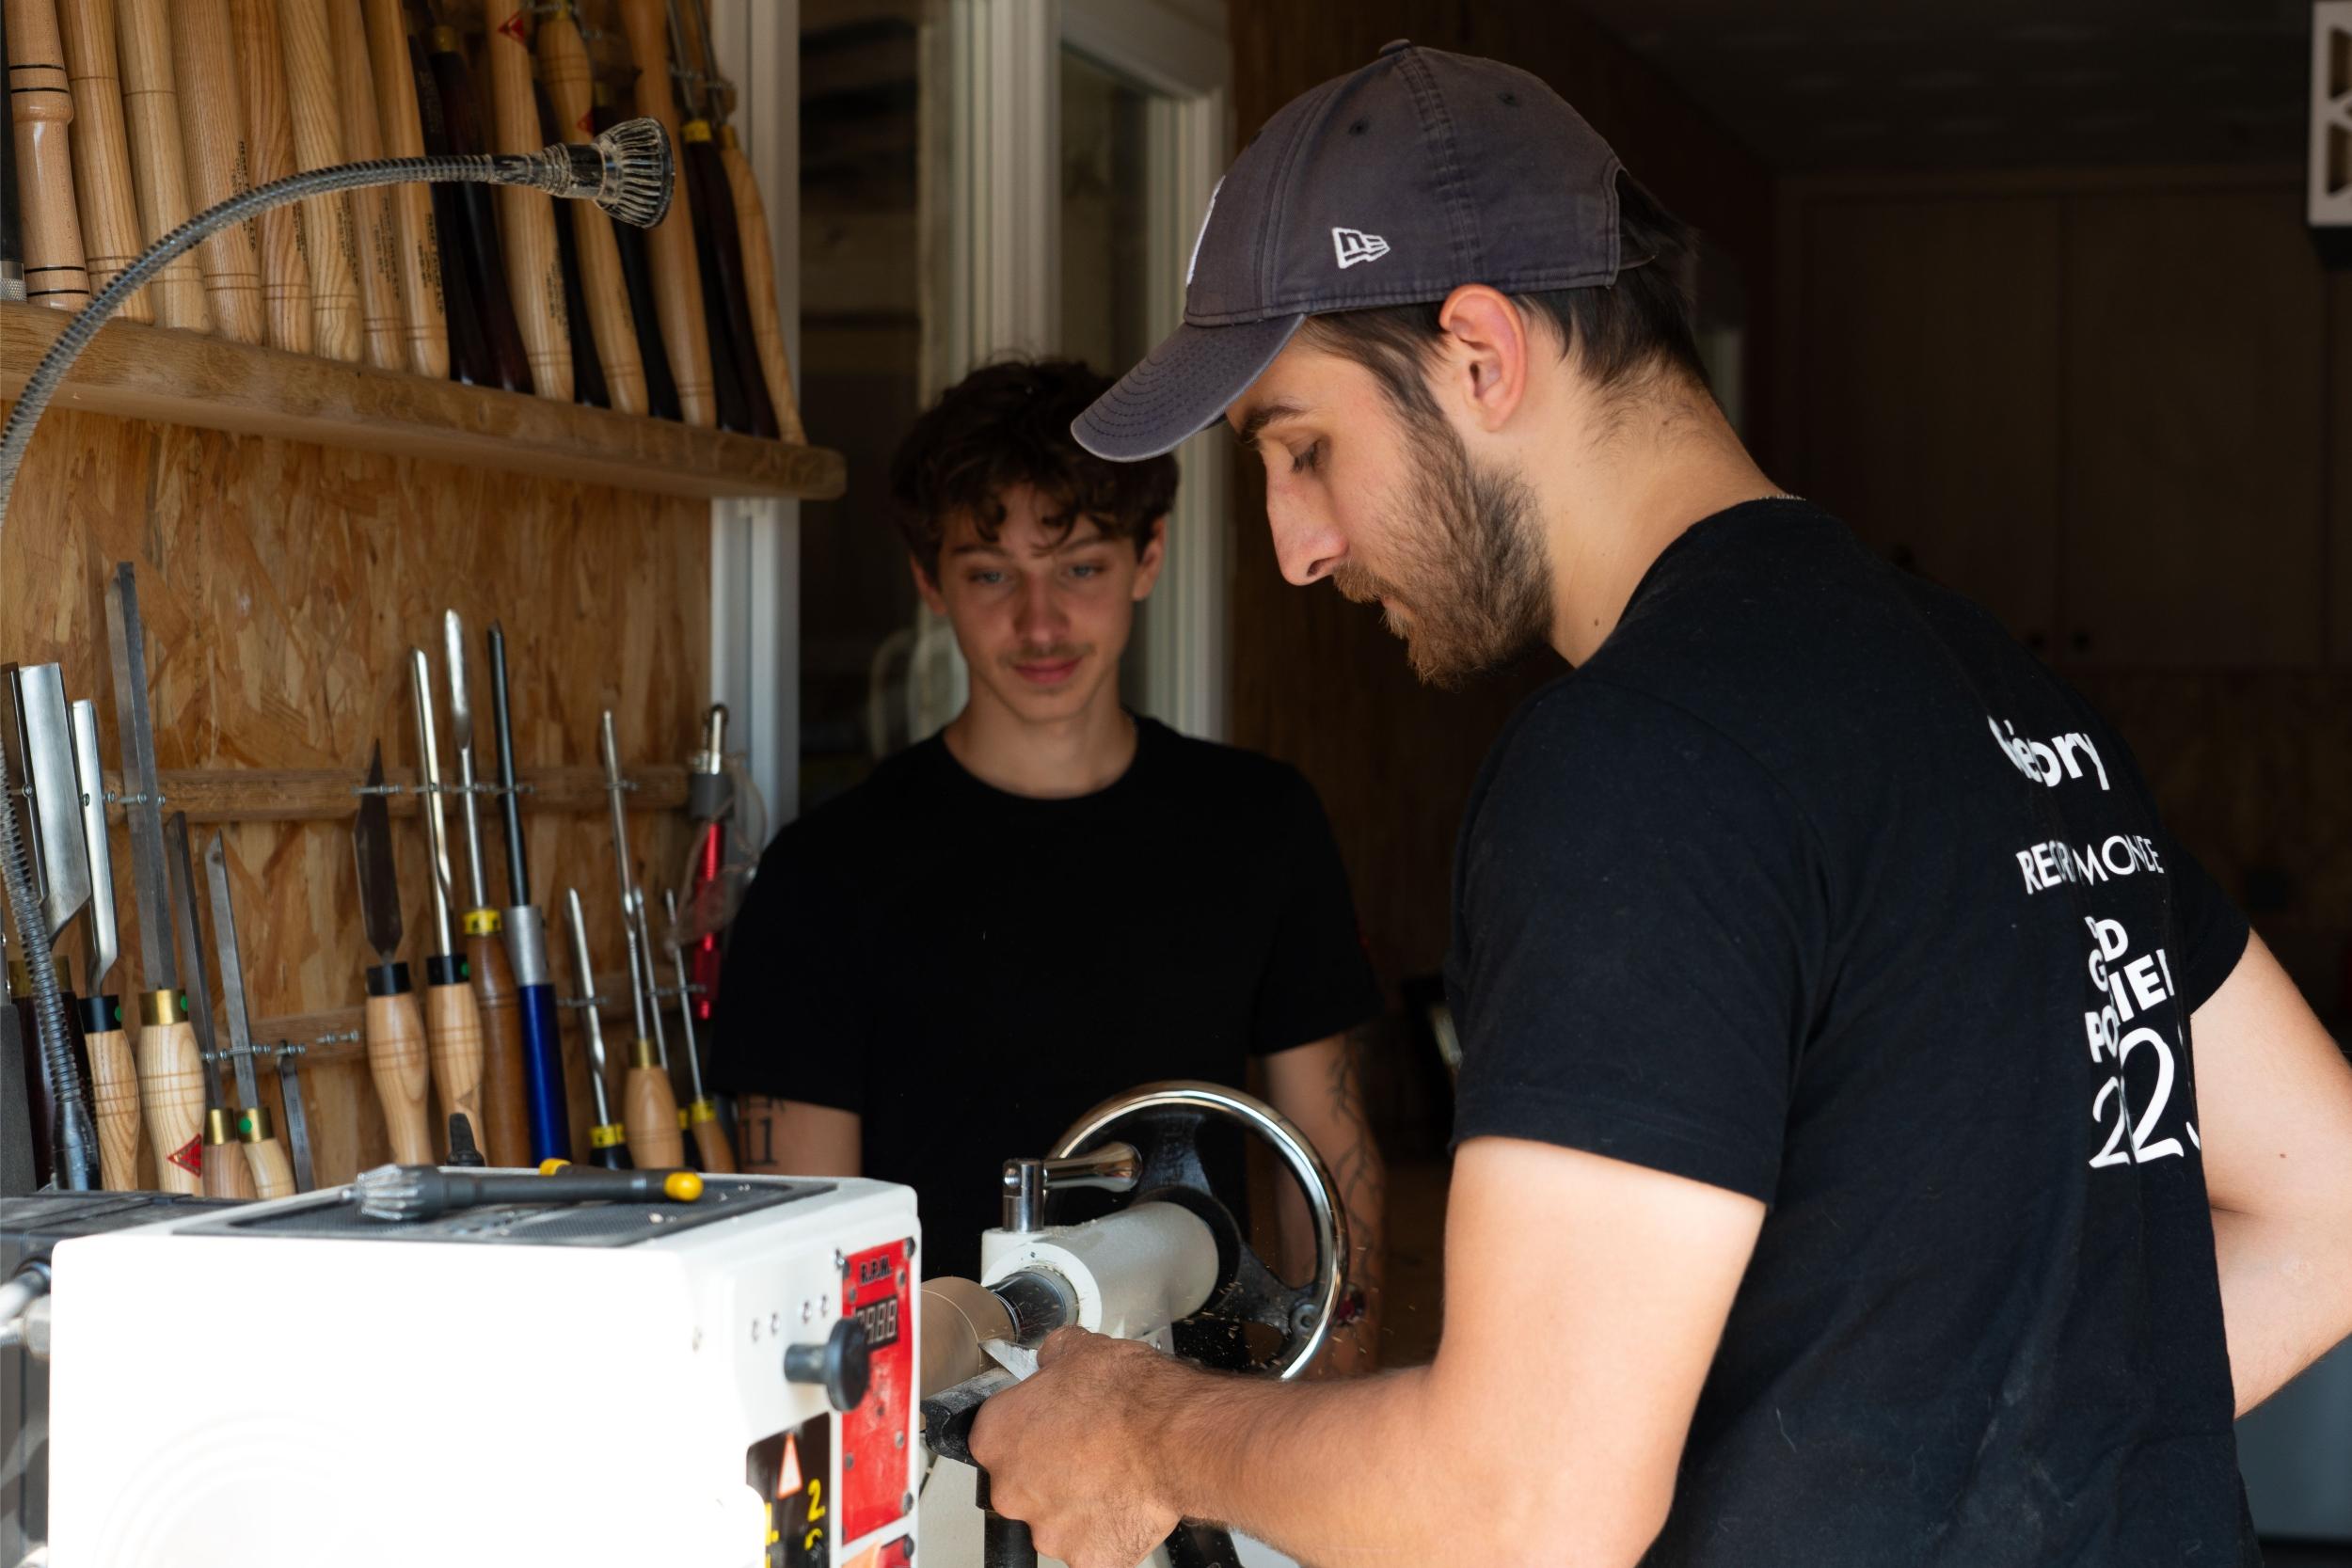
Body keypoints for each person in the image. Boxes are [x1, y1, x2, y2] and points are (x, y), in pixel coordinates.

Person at [966, 40, 2352, 1568]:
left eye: (1305, 446)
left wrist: (1146, 1431)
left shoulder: (1635, 764)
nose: (1297, 544)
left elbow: (1527, 1503)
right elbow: (2328, 1211)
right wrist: (1972, 1476)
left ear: (1481, 354)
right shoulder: (1991, 685)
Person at [707, 356, 1388, 1366]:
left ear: (1148, 556)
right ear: (929, 581)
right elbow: (813, 1249)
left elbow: (1323, 1167)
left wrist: (1330, 1445)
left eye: (1079, 566)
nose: (1039, 623)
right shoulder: (826, 873)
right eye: (991, 573)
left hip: (1206, 1438)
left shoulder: (1259, 823)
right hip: (942, 1453)